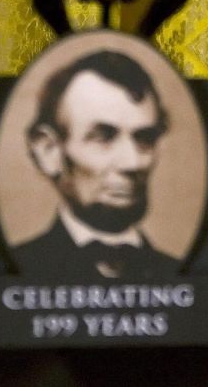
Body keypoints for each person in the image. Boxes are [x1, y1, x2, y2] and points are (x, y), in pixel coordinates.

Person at [14, 50, 179, 279]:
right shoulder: (16, 270)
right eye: (104, 137)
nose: (132, 163)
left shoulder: (179, 274)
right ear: (49, 151)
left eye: (145, 139)